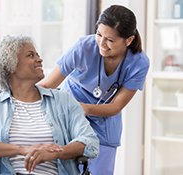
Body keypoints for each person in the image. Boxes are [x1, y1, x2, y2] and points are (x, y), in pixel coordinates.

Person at [0, 35, 99, 175]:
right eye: (30, 55)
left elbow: (90, 141)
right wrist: (21, 149)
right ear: (11, 65)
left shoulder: (64, 101)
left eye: (37, 55)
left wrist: (56, 152)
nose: (39, 59)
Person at [39, 5, 150, 175]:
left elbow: (116, 106)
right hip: (69, 115)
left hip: (104, 120)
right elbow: (48, 85)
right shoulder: (84, 47)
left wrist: (85, 109)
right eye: (99, 35)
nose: (102, 44)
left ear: (128, 40)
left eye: (110, 40)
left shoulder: (139, 62)